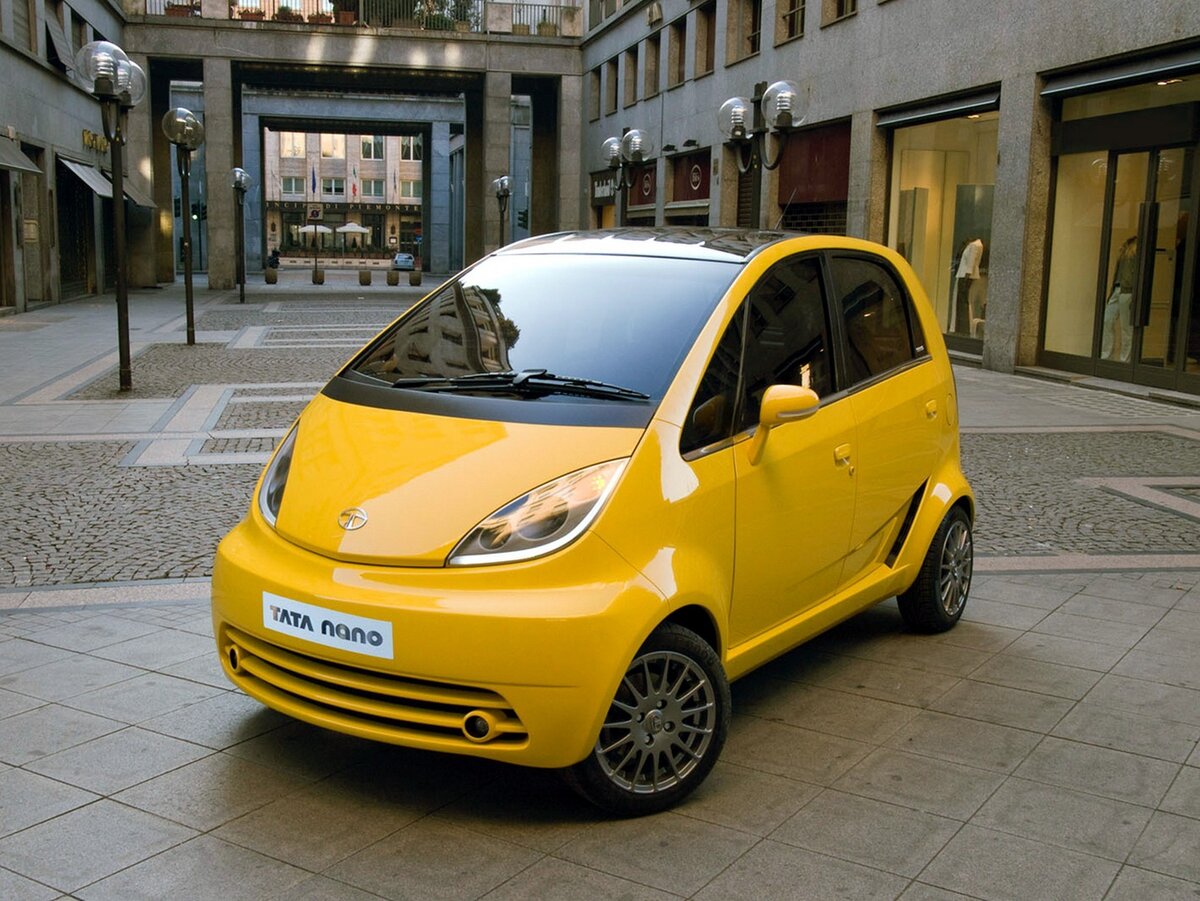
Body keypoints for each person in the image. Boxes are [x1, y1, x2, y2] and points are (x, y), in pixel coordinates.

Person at [1102, 235, 1137, 362]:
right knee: (1107, 321)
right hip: (1118, 289)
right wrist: (1111, 292)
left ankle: (1125, 360)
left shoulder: (1135, 250)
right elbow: (1117, 273)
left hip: (1127, 290)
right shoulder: (1124, 250)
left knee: (1126, 328)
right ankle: (1106, 356)